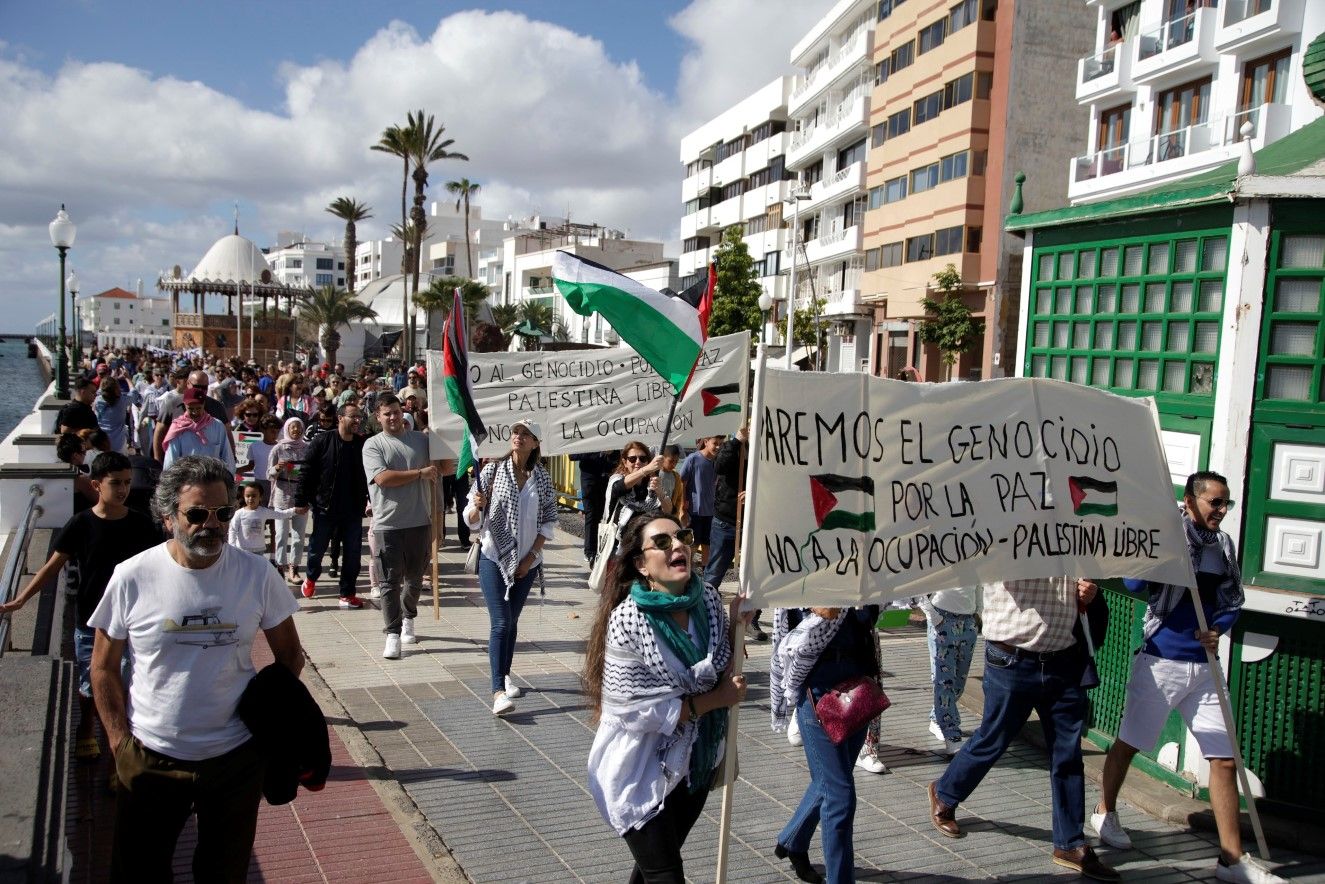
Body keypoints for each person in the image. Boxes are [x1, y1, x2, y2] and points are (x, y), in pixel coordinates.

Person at [88, 455, 303, 882]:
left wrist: (266, 721)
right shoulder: (132, 576)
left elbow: (290, 655)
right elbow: (102, 667)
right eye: (197, 514)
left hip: (235, 759)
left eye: (222, 513)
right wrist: (118, 742)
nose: (212, 524)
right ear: (168, 517)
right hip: (151, 758)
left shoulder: (257, 573)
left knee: (224, 873)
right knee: (139, 873)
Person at [1088, 472, 1286, 884]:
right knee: (1129, 744)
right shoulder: (1165, 534)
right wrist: (1162, 547)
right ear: (1190, 501)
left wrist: (1221, 628)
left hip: (1206, 667)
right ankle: (1105, 811)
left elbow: (1232, 597)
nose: (1222, 510)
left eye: (1225, 502)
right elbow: (1133, 581)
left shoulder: (1223, 545)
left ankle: (1231, 860)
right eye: (1215, 502)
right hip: (1161, 660)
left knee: (1225, 759)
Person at [584, 513, 747, 883]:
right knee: (666, 876)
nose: (678, 546)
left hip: (695, 762)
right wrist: (717, 698)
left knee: (653, 869)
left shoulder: (706, 598)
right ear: (641, 565)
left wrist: (738, 622)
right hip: (640, 768)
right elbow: (636, 711)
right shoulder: (628, 621)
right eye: (661, 542)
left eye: (682, 537)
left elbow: (720, 659)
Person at [929, 577, 1119, 882]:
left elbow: (1087, 588)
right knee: (994, 738)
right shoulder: (1007, 533)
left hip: (1064, 661)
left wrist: (1091, 594)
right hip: (1011, 659)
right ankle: (945, 791)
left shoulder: (1073, 537)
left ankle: (1070, 843)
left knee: (1067, 754)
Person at [0, 451, 157, 762]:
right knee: (90, 684)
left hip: (132, 621)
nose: (124, 490)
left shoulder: (141, 524)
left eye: (127, 482)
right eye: (116, 483)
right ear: (97, 485)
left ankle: (119, 753)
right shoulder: (81, 524)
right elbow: (52, 566)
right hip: (91, 620)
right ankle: (87, 728)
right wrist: (21, 600)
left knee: (125, 683)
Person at [770, 604, 881, 884]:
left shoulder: (864, 571)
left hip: (857, 686)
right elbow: (789, 634)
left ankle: (793, 840)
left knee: (833, 779)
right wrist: (816, 612)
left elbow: (874, 613)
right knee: (840, 794)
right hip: (817, 689)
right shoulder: (801, 573)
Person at [464, 419, 556, 715]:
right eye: (516, 432)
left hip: (526, 563)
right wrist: (478, 506)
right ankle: (497, 692)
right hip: (494, 556)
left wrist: (529, 560)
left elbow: (548, 522)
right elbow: (472, 520)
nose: (518, 437)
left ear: (535, 443)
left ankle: (504, 674)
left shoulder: (542, 478)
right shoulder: (491, 471)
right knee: (500, 623)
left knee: (512, 622)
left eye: (526, 434)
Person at [363, 393, 437, 658]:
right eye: (387, 413)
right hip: (388, 524)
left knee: (415, 578)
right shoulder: (373, 445)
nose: (393, 417)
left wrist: (446, 438)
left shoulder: (421, 440)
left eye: (396, 411)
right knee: (389, 581)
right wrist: (419, 473)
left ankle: (409, 617)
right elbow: (382, 478)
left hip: (419, 520)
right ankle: (392, 632)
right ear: (378, 417)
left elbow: (445, 468)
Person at [296, 403, 368, 609]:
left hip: (352, 509)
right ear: (340, 418)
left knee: (353, 554)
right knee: (317, 550)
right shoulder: (322, 441)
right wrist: (301, 500)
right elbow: (307, 472)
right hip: (324, 507)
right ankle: (310, 578)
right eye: (353, 416)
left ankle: (347, 593)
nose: (357, 421)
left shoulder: (362, 444)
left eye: (359, 417)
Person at [917, 585, 982, 756]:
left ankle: (936, 718)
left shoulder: (976, 558)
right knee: (944, 681)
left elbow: (979, 584)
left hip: (968, 621)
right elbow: (919, 586)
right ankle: (951, 733)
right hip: (943, 619)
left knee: (959, 681)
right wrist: (933, 616)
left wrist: (978, 613)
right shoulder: (939, 557)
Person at [268, 417, 310, 583]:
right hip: (282, 497)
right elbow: (268, 474)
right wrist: (278, 467)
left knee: (299, 537)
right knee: (281, 534)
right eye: (293, 427)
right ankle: (280, 567)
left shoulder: (307, 448)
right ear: (287, 428)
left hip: (300, 496)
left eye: (299, 427)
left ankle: (294, 568)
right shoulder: (278, 449)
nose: (296, 431)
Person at [163, 387, 234, 472]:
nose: (195, 412)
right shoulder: (177, 429)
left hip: (212, 480)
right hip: (187, 480)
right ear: (185, 405)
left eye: (198, 408)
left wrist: (229, 479)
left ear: (204, 404)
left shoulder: (217, 426)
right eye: (191, 409)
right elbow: (170, 461)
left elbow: (227, 457)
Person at [227, 481, 296, 567]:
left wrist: (294, 510)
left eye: (254, 496)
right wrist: (232, 547)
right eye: (247, 496)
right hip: (242, 550)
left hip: (259, 550)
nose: (250, 499)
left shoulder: (263, 511)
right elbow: (232, 530)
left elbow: (280, 515)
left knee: (257, 571)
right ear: (244, 497)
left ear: (260, 497)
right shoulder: (239, 513)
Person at [570, 449, 618, 568]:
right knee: (591, 514)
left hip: (606, 479)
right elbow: (573, 455)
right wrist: (598, 451)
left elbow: (618, 456)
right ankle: (589, 551)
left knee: (603, 515)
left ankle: (599, 548)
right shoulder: (587, 438)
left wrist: (611, 454)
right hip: (589, 479)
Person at [606, 441, 668, 530]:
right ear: (625, 462)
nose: (638, 462)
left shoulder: (652, 483)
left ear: (647, 461)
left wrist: (660, 493)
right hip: (620, 540)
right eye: (632, 459)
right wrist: (647, 469)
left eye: (643, 459)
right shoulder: (617, 480)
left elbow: (669, 511)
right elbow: (619, 488)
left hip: (647, 539)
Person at [680, 436, 721, 568]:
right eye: (715, 443)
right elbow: (682, 483)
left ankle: (705, 571)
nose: (718, 447)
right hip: (694, 510)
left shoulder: (716, 461)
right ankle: (687, 569)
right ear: (706, 441)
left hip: (711, 511)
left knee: (707, 543)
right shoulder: (693, 458)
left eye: (721, 444)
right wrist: (683, 506)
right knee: (692, 543)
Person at [94, 376, 131, 453]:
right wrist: (127, 378)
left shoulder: (97, 400)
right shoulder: (122, 400)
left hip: (101, 442)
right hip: (118, 444)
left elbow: (100, 391)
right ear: (116, 388)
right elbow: (135, 393)